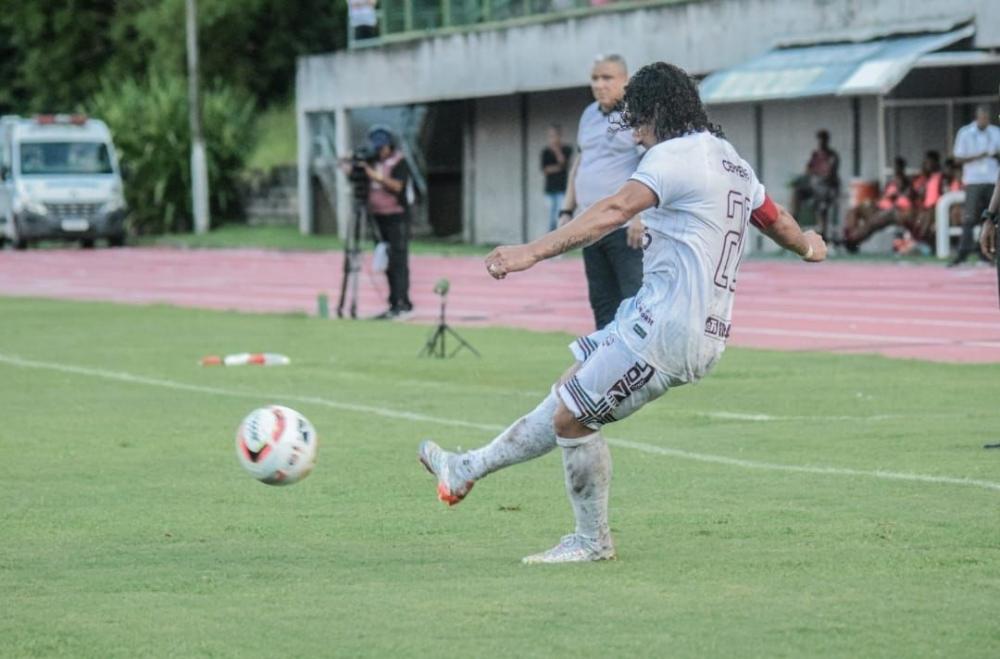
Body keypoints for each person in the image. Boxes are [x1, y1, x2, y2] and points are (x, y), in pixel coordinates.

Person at [418, 62, 827, 564]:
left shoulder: (673, 156)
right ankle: (465, 468)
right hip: (677, 321)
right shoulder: (731, 161)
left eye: (637, 119)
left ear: (659, 111)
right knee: (570, 387)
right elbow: (775, 220)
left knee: (572, 419)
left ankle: (592, 543)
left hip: (668, 328)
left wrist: (532, 252)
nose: (634, 132)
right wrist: (809, 247)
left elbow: (614, 210)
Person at [560, 54, 645, 330]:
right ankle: (606, 369)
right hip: (590, 224)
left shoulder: (638, 115)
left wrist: (640, 217)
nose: (600, 84)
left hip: (623, 227)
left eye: (607, 78)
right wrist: (566, 209)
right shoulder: (588, 115)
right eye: (595, 78)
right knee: (601, 302)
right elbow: (580, 162)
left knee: (632, 299)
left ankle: (640, 366)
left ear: (626, 81)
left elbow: (651, 166)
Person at [362, 126, 413, 319]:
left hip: (396, 217)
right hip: (378, 217)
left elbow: (398, 186)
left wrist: (375, 176)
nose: (379, 151)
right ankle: (393, 303)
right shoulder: (372, 161)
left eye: (382, 147)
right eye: (377, 147)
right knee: (385, 261)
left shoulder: (399, 162)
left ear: (390, 145)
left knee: (398, 261)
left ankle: (404, 303)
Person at [949, 106, 1000, 266]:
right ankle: (963, 254)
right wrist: (979, 156)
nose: (985, 120)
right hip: (973, 181)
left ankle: (987, 255)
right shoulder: (965, 133)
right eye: (982, 118)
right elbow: (957, 159)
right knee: (969, 218)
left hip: (992, 180)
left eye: (987, 118)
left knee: (990, 219)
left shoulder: (996, 132)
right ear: (976, 117)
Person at [841, 156, 910, 252]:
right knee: (854, 210)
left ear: (902, 168)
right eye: (895, 167)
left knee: (871, 222)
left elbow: (902, 197)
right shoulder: (891, 182)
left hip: (891, 212)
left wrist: (897, 193)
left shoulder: (905, 182)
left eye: (898, 167)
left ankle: (853, 241)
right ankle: (850, 234)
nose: (896, 169)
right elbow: (883, 196)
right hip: (879, 207)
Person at [791, 130, 840, 240]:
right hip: (813, 187)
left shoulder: (832, 156)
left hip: (826, 188)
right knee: (797, 191)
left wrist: (817, 177)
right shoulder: (815, 155)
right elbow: (807, 170)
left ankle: (823, 234)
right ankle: (793, 222)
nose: (820, 143)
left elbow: (830, 175)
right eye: (819, 140)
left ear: (827, 141)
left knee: (822, 201)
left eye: (823, 140)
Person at [540, 125, 573, 231]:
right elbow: (545, 170)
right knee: (550, 218)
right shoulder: (545, 152)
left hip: (562, 189)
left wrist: (557, 151)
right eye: (550, 136)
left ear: (559, 136)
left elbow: (564, 164)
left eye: (554, 136)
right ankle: (549, 240)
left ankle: (559, 241)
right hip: (549, 190)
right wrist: (559, 168)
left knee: (559, 217)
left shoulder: (567, 149)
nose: (552, 139)